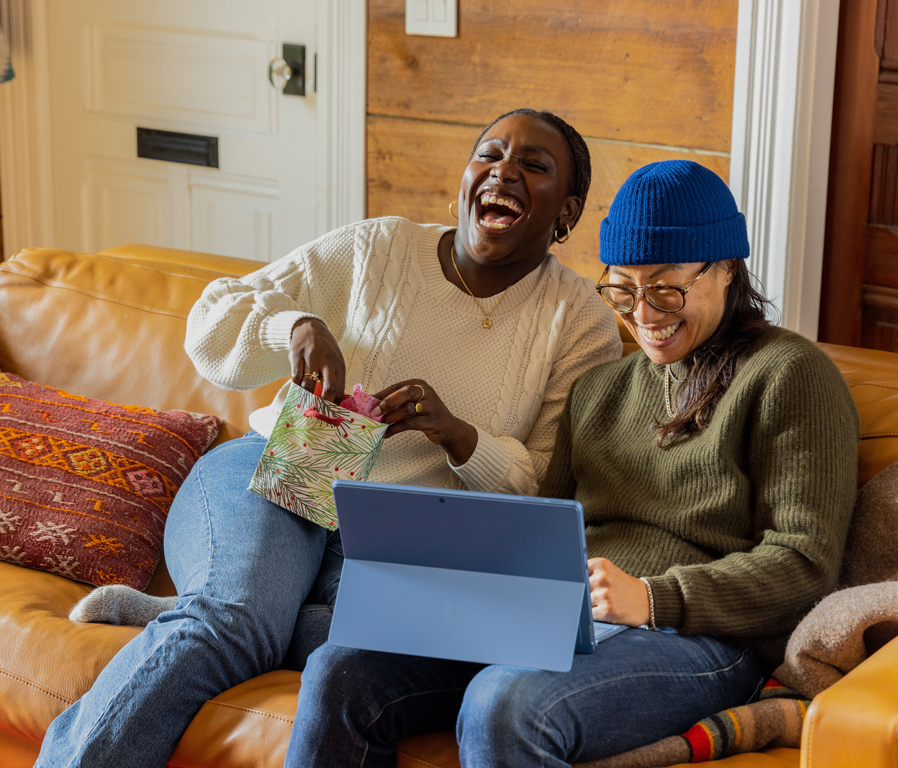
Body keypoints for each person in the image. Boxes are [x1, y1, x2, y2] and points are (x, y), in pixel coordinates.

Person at [34, 108, 622, 768]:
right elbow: (212, 318)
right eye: (489, 154)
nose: (503, 171)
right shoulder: (378, 248)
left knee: (376, 643)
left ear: (565, 212)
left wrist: (461, 438)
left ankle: (185, 610)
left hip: (405, 534)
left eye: (533, 166)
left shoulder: (582, 326)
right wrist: (295, 327)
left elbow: (548, 484)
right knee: (231, 626)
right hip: (285, 464)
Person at [281, 160, 860, 768]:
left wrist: (656, 599)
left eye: (666, 288)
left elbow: (804, 563)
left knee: (505, 702)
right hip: (561, 617)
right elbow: (543, 526)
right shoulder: (599, 390)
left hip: (700, 637)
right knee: (339, 667)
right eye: (623, 289)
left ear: (725, 270)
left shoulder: (790, 374)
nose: (644, 314)